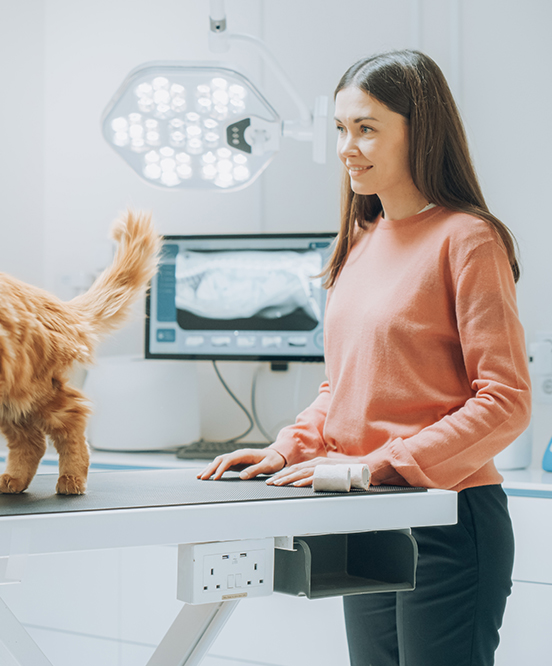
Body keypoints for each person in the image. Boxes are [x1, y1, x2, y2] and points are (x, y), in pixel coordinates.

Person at [198, 49, 530, 666]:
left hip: (449, 519)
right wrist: (287, 448)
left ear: (419, 131)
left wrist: (379, 463)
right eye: (340, 130)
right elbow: (342, 388)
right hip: (368, 512)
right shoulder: (358, 241)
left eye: (367, 128)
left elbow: (506, 403)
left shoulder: (468, 238)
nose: (347, 148)